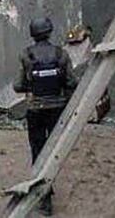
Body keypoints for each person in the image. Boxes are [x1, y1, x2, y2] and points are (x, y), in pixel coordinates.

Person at [13, 17, 78, 216]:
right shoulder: (61, 53)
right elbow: (71, 82)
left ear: (32, 34)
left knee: (38, 152)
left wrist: (33, 84)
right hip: (57, 109)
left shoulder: (26, 55)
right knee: (53, 152)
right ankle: (48, 186)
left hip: (35, 109)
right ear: (49, 32)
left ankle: (44, 197)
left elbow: (18, 86)